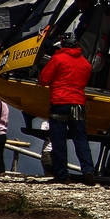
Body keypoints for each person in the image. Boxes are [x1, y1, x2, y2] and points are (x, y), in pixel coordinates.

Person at [37, 34, 95, 185]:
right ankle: (88, 170)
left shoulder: (57, 59)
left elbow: (43, 80)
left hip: (60, 103)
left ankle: (62, 175)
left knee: (59, 141)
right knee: (81, 139)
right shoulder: (85, 63)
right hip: (78, 104)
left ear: (62, 44)